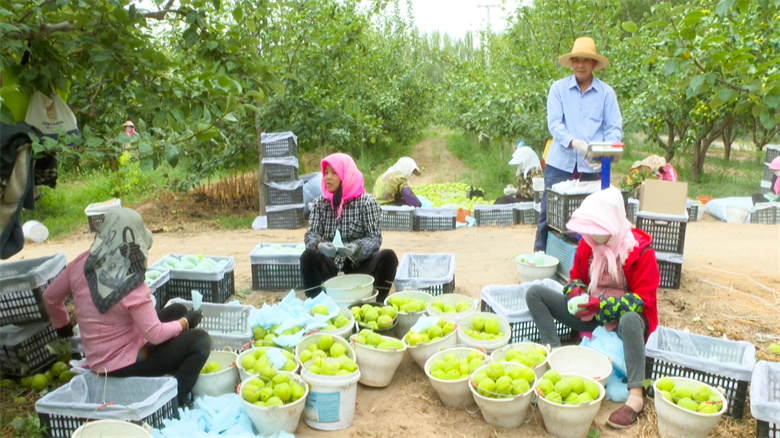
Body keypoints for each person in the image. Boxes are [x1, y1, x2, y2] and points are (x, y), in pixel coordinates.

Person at [43, 208, 210, 407]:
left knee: (177, 310)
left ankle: (168, 368)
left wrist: (63, 326)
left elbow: (50, 297)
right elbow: (155, 334)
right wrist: (185, 323)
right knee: (200, 341)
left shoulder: (80, 265)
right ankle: (177, 399)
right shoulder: (130, 282)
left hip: (99, 358)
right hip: (122, 365)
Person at [525, 187, 659, 429]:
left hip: (624, 323)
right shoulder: (588, 244)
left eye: (599, 230)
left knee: (629, 318)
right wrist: (576, 292)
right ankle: (555, 355)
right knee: (535, 294)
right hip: (592, 314)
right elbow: (574, 277)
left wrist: (600, 304)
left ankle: (636, 396)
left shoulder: (639, 251)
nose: (592, 236)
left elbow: (642, 301)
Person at [534, 36, 623, 252]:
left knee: (590, 216)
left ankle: (582, 262)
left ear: (594, 64)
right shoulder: (558, 90)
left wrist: (603, 152)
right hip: (559, 164)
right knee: (549, 213)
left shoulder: (606, 94)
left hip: (590, 166)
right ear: (572, 63)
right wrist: (575, 143)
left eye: (585, 60)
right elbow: (555, 125)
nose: (580, 65)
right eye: (576, 60)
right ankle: (540, 257)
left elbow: (613, 127)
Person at [301, 153, 399, 302]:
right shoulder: (320, 204)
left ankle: (376, 303)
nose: (328, 177)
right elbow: (311, 235)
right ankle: (317, 303)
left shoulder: (366, 202)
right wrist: (320, 246)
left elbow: (374, 238)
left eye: (334, 173)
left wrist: (357, 248)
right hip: (332, 267)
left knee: (388, 257)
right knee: (308, 256)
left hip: (360, 266)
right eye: (326, 172)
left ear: (346, 175)